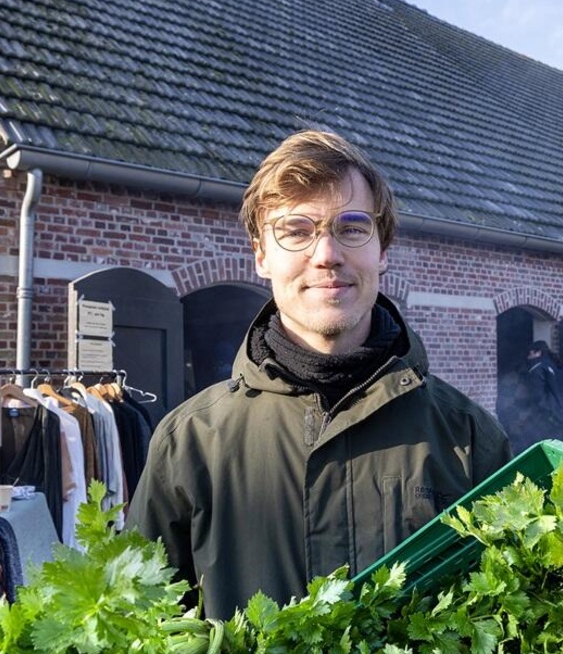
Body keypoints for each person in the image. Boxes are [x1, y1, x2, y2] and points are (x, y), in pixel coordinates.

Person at [128, 130, 511, 619]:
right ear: (261, 254)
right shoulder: (188, 444)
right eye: (295, 230)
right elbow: (142, 630)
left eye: (351, 227)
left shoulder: (469, 437)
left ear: (382, 249)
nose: (326, 254)